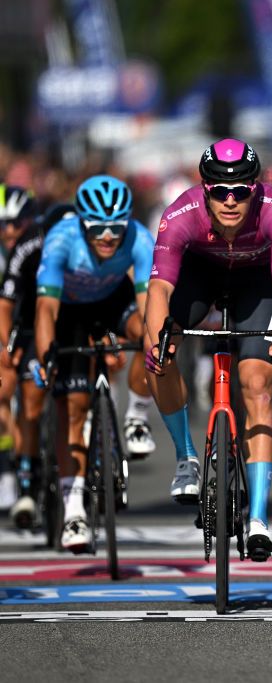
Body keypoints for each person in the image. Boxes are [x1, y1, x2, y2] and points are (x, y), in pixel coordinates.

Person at [145, 139, 272, 562]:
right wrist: (157, 342)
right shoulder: (180, 213)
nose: (230, 201)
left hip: (256, 286)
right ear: (204, 189)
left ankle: (260, 519)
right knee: (160, 349)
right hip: (200, 278)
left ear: (256, 188)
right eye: (219, 191)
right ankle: (186, 457)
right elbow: (159, 289)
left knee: (258, 386)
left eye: (240, 191)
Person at [34, 176, 156, 552]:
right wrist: (46, 356)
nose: (108, 236)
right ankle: (74, 512)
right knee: (71, 406)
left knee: (153, 336)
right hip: (69, 312)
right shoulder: (60, 240)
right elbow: (45, 309)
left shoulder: (139, 238)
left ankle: (137, 416)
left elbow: (150, 303)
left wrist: (153, 345)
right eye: (97, 228)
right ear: (81, 222)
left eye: (116, 228)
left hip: (113, 302)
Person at [1, 200, 75, 527]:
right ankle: (27, 487)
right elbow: (5, 303)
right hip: (33, 322)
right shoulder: (29, 244)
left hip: (75, 321)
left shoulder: (90, 245)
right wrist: (5, 346)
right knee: (31, 401)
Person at [0, 186, 41, 516]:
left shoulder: (37, 246)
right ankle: (14, 468)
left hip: (37, 321)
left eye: (16, 224)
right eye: (3, 225)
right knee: (6, 386)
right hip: (10, 328)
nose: (9, 232)